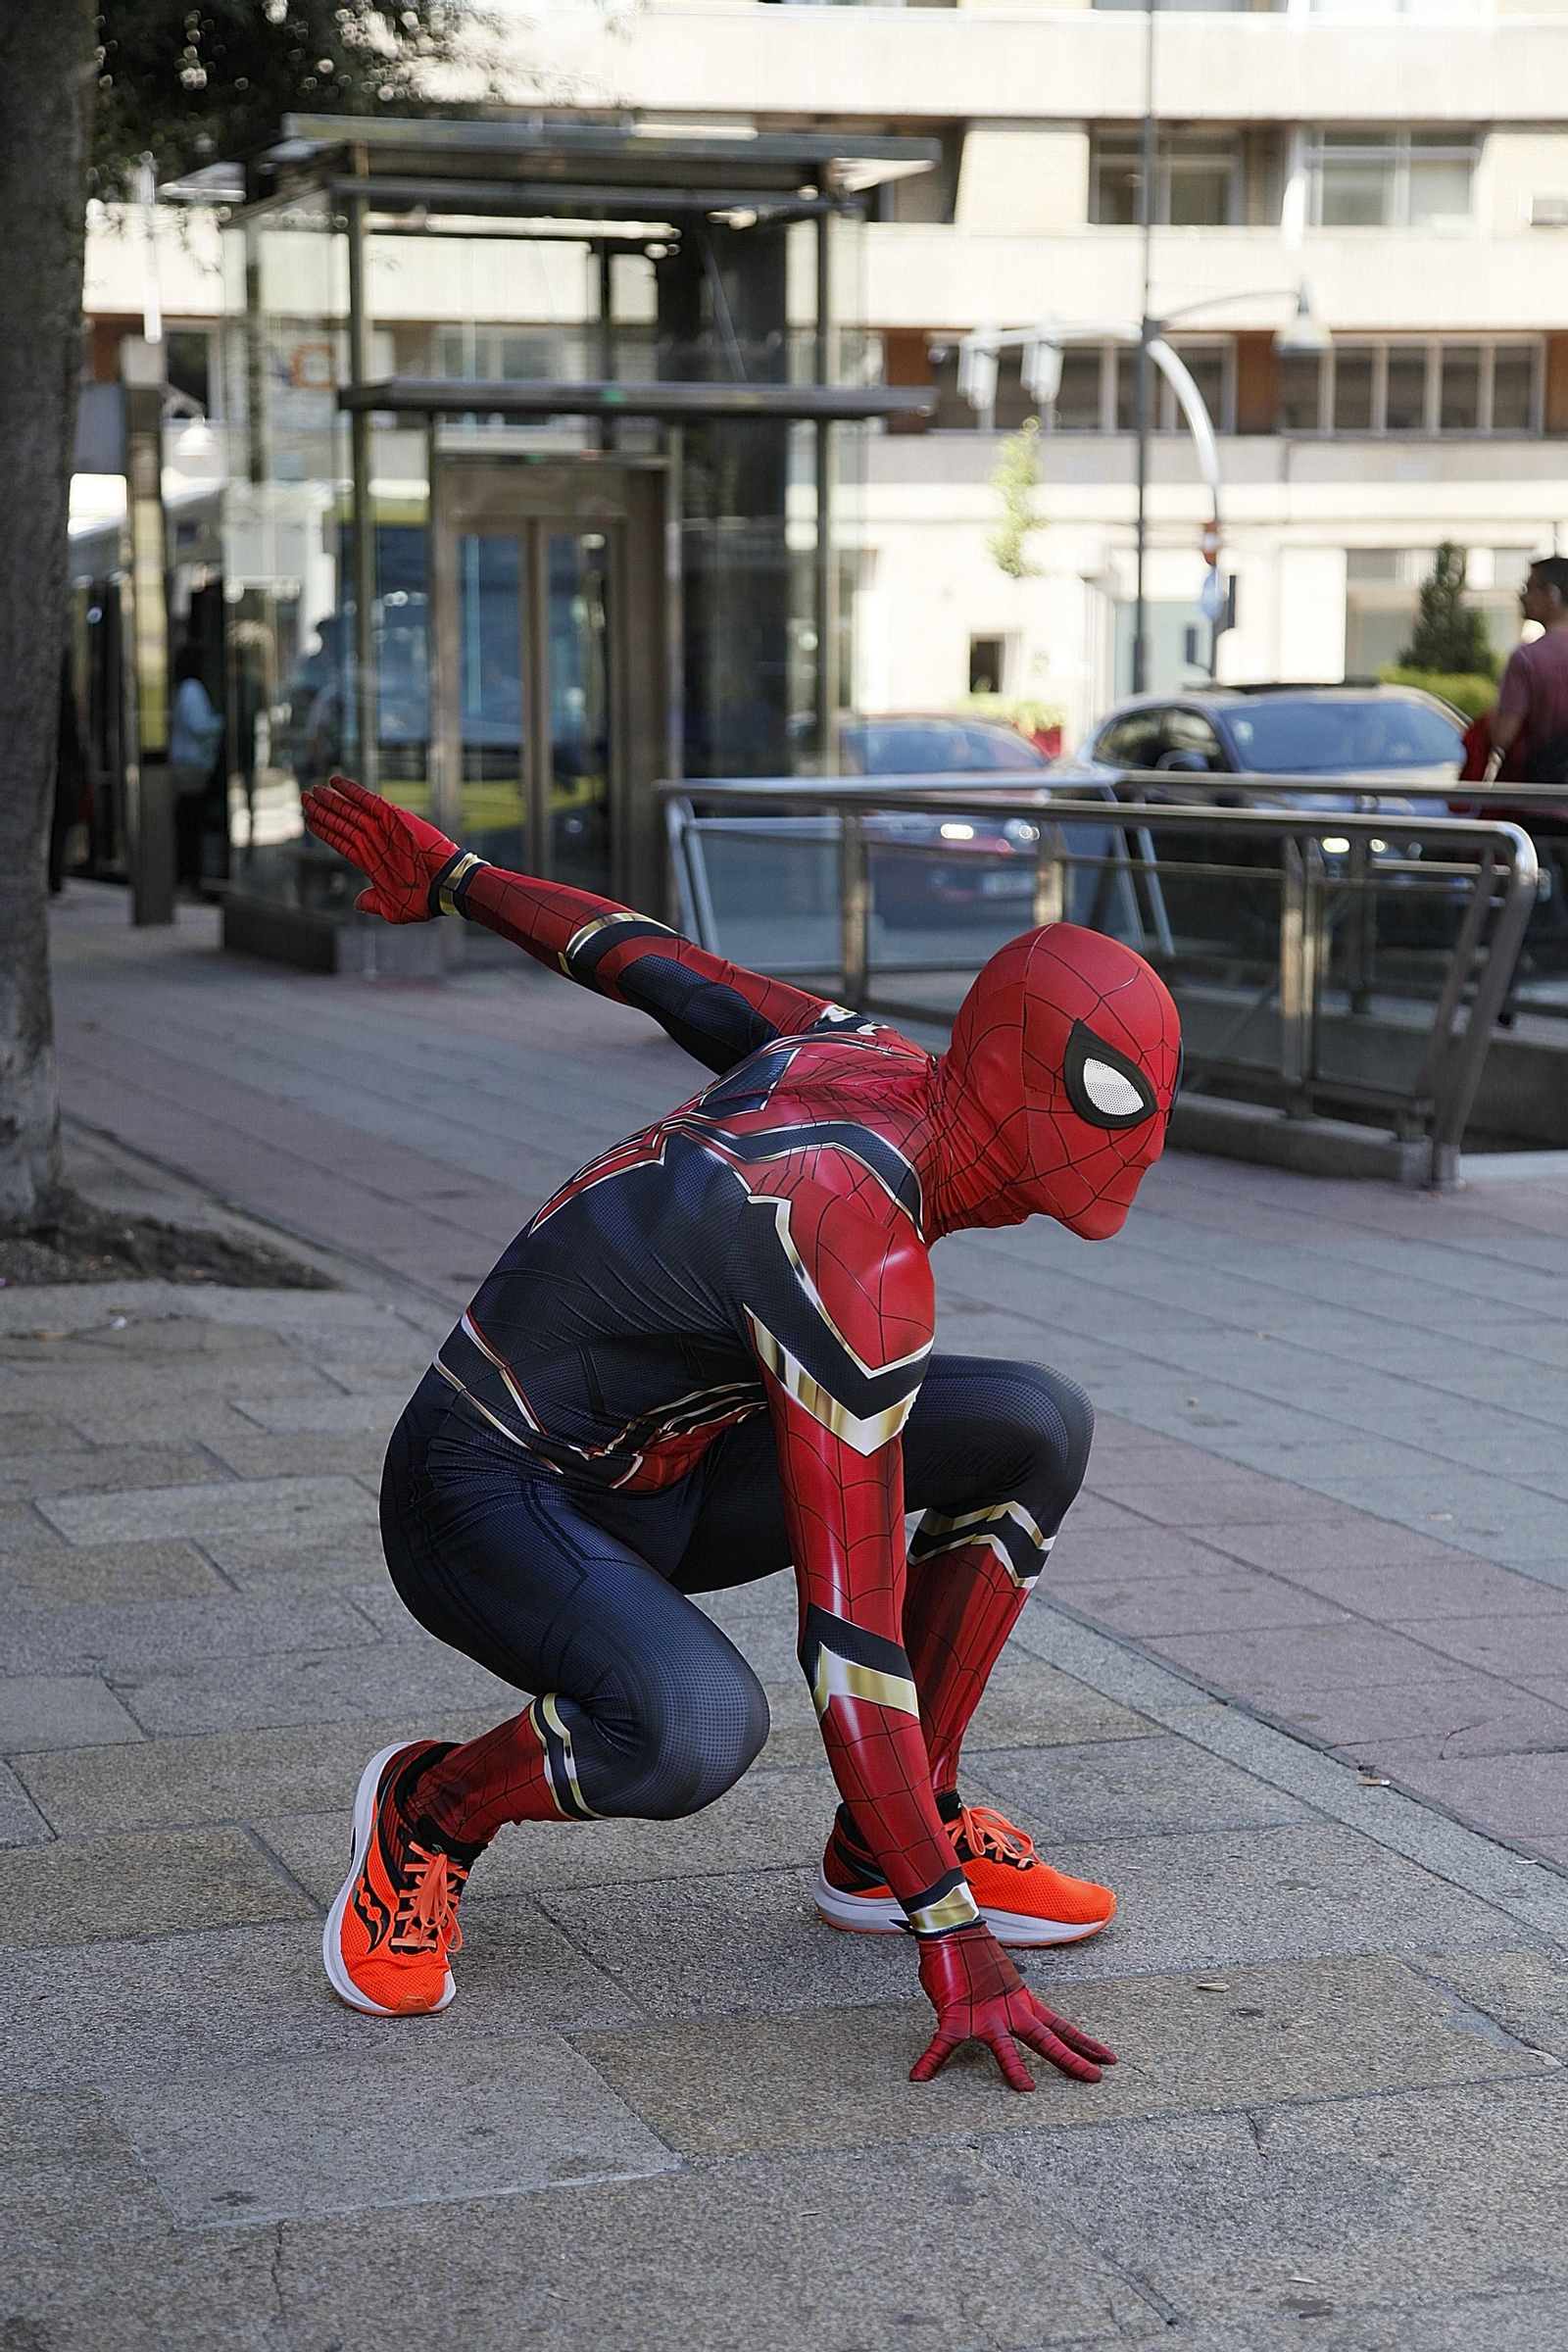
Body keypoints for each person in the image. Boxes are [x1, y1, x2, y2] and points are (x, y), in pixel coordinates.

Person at [305, 776, 1181, 2092]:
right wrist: (957, 1944)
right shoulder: (849, 1238)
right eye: (1113, 1096)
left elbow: (643, 958)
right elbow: (850, 1641)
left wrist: (456, 876)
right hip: (480, 1494)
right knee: (690, 1727)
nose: (1142, 1140)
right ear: (1011, 1077)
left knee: (1035, 1421)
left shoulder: (866, 1057)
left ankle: (886, 1843)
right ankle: (428, 1812)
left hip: (666, 1479)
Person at [1490, 556, 1568, 783]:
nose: (1522, 596)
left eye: (1529, 588)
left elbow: (1502, 736)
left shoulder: (1527, 658)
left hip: (1542, 798)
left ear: (1552, 595)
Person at [169, 643, 224, 888]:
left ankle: (187, 875)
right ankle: (190, 876)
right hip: (191, 767)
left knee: (188, 823)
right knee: (191, 823)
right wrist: (220, 723)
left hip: (185, 765)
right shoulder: (193, 689)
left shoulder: (183, 689)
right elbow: (200, 726)